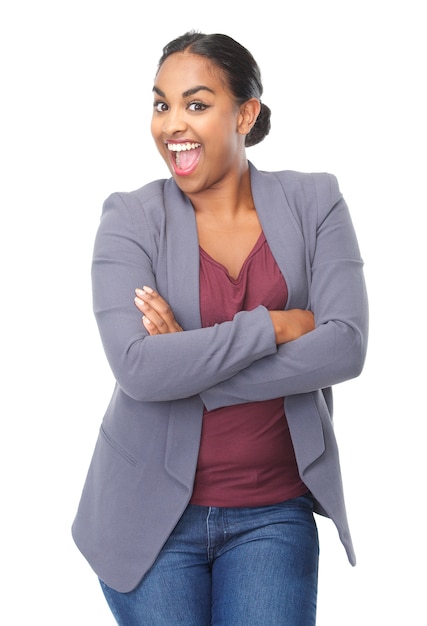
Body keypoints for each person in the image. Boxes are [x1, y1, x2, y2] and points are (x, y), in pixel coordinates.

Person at [72, 31, 369, 625]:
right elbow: (137, 368)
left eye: (197, 104)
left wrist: (188, 361)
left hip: (273, 511)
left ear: (246, 113)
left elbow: (345, 346)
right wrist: (274, 326)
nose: (172, 124)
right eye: (162, 104)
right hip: (147, 521)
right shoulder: (130, 217)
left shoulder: (316, 201)